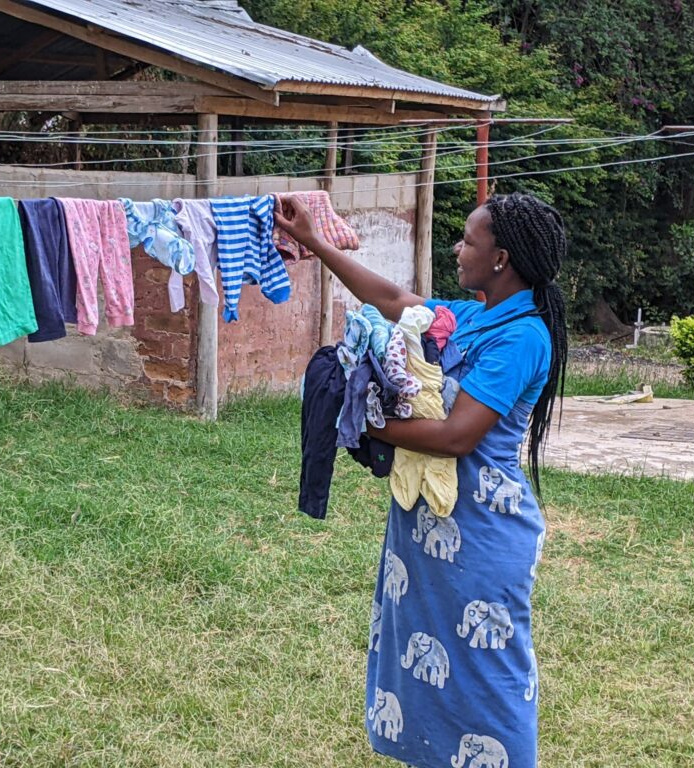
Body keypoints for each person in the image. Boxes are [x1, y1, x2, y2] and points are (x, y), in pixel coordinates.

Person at [274, 191, 568, 768]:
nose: (458, 249)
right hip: (426, 525)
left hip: (480, 533)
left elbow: (458, 436)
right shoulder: (474, 317)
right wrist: (313, 241)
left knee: (488, 674)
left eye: (469, 241)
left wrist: (361, 421)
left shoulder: (522, 336)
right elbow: (390, 299)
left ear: (501, 258)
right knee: (424, 672)